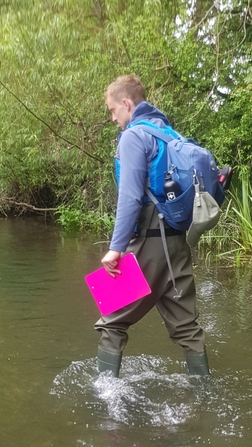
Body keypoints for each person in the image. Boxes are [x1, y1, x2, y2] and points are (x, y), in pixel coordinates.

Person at [95, 75, 209, 378]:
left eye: (112, 111)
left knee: (111, 319)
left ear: (126, 103)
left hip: (147, 242)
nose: (113, 118)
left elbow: (131, 197)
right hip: (177, 242)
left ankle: (105, 398)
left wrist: (116, 249)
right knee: (187, 327)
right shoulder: (168, 133)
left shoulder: (133, 136)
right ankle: (204, 393)